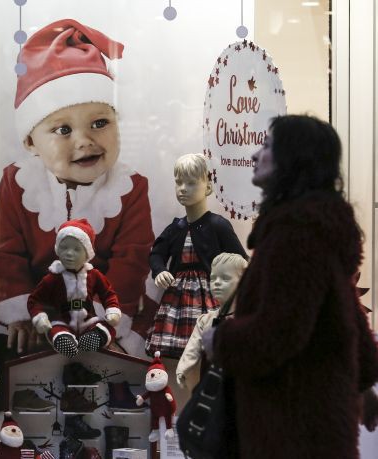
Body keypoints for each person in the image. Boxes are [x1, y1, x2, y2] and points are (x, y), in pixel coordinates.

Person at [203, 115, 378, 458]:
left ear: (292, 158)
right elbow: (346, 315)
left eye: (267, 146)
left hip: (290, 425)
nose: (255, 155)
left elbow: (280, 331)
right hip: (312, 420)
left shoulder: (294, 236)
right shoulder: (313, 230)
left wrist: (219, 340)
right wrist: (363, 382)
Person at [0, 18, 156, 357]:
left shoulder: (131, 187)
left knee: (137, 331)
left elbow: (132, 259)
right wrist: (21, 313)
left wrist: (103, 318)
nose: (85, 141)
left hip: (104, 305)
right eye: (63, 130)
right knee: (6, 345)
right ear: (31, 142)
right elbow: (7, 255)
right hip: (41, 308)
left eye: (100, 123)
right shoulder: (16, 182)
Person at [146, 153, 247, 359]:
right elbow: (157, 253)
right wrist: (160, 270)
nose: (183, 188)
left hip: (209, 293)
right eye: (179, 183)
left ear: (207, 187)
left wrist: (234, 284)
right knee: (180, 355)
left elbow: (240, 259)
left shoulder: (217, 225)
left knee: (210, 346)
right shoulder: (176, 227)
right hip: (178, 297)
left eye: (191, 183)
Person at [27, 219, 121, 358]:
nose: (69, 253)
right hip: (63, 321)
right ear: (57, 249)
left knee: (107, 328)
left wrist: (112, 310)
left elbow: (108, 294)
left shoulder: (94, 275)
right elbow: (35, 300)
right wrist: (40, 317)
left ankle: (93, 339)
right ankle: (65, 342)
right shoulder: (53, 278)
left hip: (89, 320)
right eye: (64, 248)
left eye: (77, 249)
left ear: (87, 254)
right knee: (55, 331)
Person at [176, 253, 248, 391]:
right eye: (213, 278)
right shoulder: (206, 320)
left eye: (225, 278)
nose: (217, 283)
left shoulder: (246, 319)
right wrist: (182, 369)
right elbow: (192, 348)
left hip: (239, 388)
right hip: (210, 388)